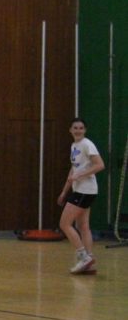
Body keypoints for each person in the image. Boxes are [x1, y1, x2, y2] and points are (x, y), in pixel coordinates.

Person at [58, 117, 105, 275]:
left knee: (65, 224)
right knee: (82, 226)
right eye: (75, 128)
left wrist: (80, 176)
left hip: (85, 190)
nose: (78, 130)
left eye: (81, 128)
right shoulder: (74, 146)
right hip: (80, 190)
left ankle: (83, 257)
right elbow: (73, 170)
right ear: (70, 130)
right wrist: (65, 191)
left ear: (85, 130)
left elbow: (100, 165)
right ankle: (89, 262)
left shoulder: (87, 144)